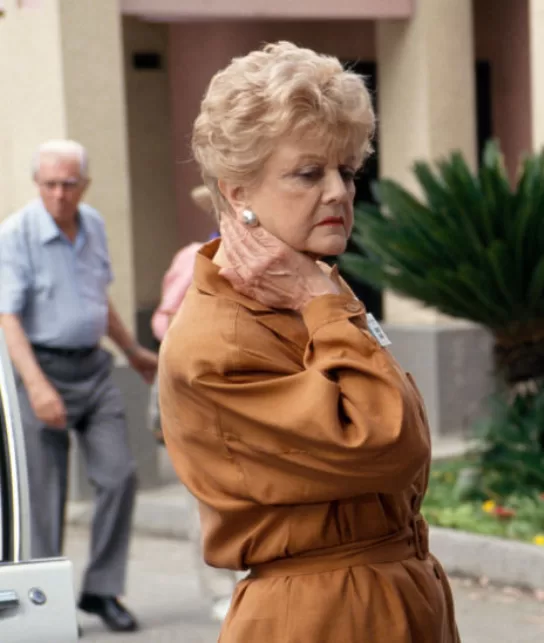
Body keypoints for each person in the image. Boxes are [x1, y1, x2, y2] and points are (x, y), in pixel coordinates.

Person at [156, 41, 459, 642]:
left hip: (382, 597)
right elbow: (389, 442)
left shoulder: (305, 288)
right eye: (308, 173)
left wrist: (315, 298)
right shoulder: (222, 341)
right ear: (237, 192)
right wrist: (319, 302)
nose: (339, 192)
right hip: (323, 617)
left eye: (347, 171)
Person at [0, 139, 159, 634]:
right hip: (39, 368)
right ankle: (48, 605)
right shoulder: (15, 234)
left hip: (94, 368)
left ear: (84, 184)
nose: (60, 194)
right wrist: (36, 386)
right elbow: (7, 317)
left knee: (119, 475)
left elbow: (98, 298)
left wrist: (132, 350)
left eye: (69, 184)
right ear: (37, 183)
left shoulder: (93, 225)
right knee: (44, 499)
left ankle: (102, 590)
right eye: (50, 184)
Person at [147, 185, 241, 623]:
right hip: (199, 394)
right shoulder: (195, 258)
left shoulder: (265, 259)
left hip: (242, 393)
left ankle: (248, 581)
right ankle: (221, 590)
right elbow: (162, 320)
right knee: (204, 495)